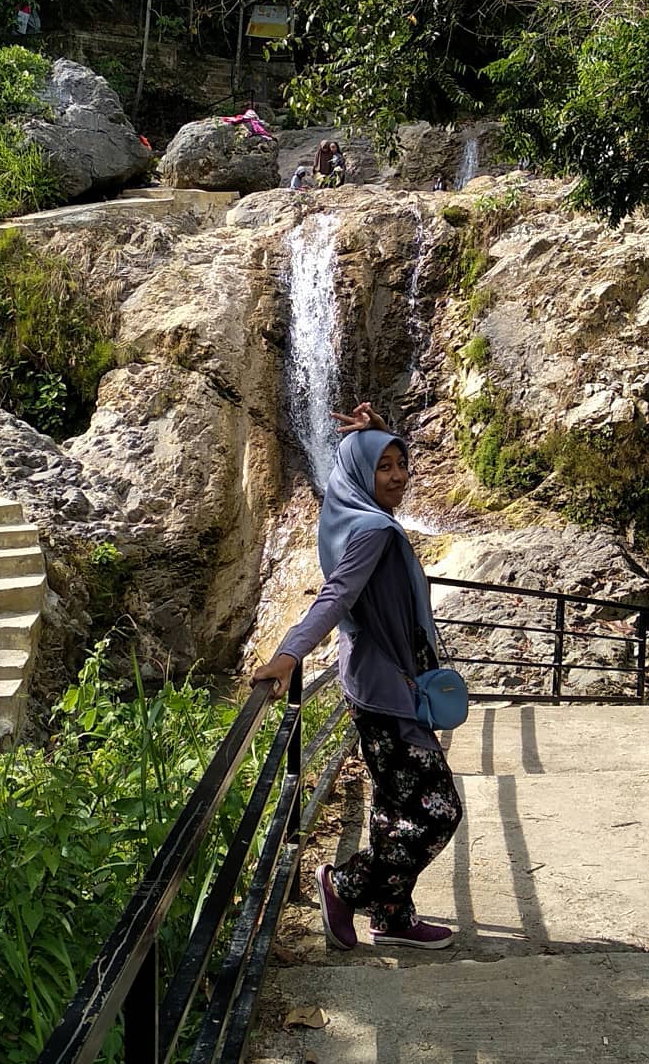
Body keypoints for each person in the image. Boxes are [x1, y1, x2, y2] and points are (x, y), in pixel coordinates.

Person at [250, 404, 464, 950]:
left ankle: (392, 916)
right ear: (358, 475)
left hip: (375, 683)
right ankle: (342, 885)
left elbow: (352, 594)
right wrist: (290, 653)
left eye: (401, 463)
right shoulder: (371, 530)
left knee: (396, 804)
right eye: (382, 466)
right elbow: (337, 595)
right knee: (439, 810)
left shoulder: (349, 515)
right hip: (387, 690)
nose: (397, 476)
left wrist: (372, 434)